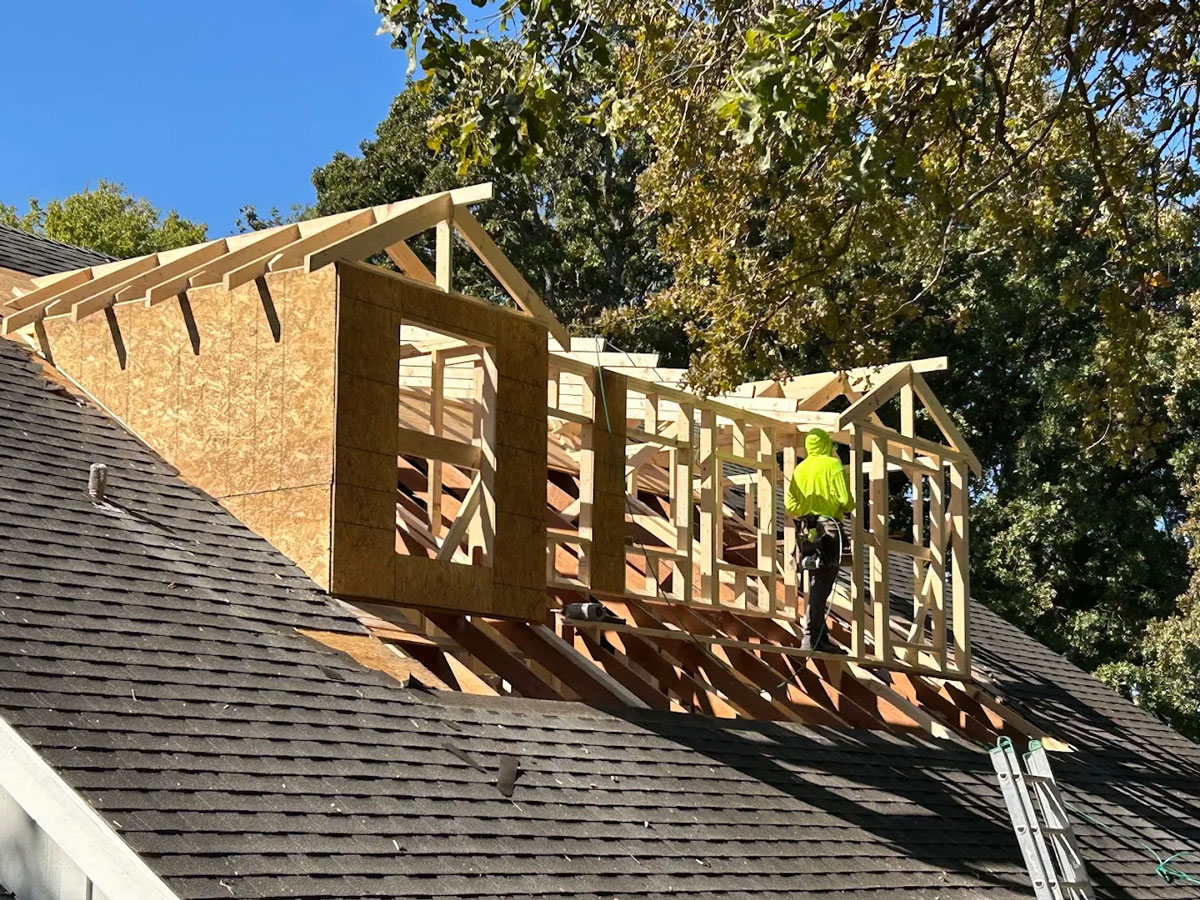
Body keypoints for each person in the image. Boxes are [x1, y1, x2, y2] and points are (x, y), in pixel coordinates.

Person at [785, 427, 854, 653]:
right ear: (826, 444)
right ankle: (812, 636)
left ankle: (819, 635)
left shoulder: (800, 468)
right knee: (823, 583)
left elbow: (790, 506)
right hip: (828, 528)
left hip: (807, 530)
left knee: (815, 581)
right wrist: (843, 506)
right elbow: (845, 500)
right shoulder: (832, 465)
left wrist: (808, 507)